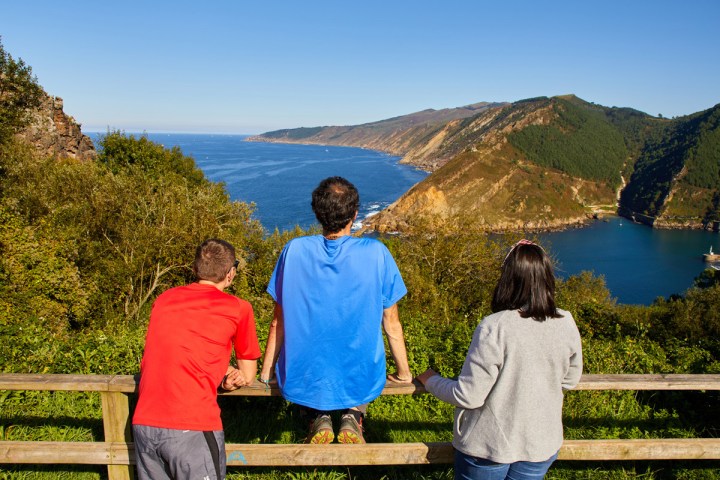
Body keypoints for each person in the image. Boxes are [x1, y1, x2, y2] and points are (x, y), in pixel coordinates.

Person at [260, 176, 413, 444]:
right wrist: (404, 372)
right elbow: (392, 323)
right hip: (360, 375)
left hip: (303, 374)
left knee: (316, 361)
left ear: (317, 212)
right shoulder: (376, 253)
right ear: (355, 214)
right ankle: (353, 416)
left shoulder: (293, 250)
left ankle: (319, 416)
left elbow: (278, 322)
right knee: (359, 366)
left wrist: (267, 370)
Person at [417, 239, 583, 480]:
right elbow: (570, 380)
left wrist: (431, 380)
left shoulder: (494, 326)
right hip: (540, 443)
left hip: (488, 446)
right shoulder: (566, 321)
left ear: (509, 279)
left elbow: (469, 395)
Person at [132, 239, 261, 480]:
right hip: (192, 425)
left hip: (144, 424)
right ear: (230, 273)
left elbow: (182, 348)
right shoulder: (238, 308)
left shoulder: (164, 300)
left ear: (195, 269)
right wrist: (230, 376)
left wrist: (219, 369)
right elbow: (248, 373)